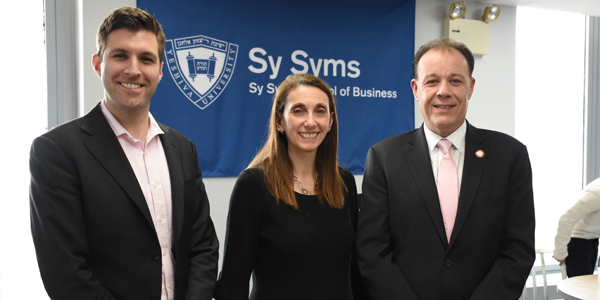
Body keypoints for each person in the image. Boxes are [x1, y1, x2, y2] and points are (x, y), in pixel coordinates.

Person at [29, 7, 219, 300]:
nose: (133, 69)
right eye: (120, 55)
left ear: (160, 70)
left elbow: (203, 245)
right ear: (97, 64)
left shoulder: (182, 148)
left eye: (146, 58)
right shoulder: (56, 152)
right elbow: (65, 274)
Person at [356, 38, 535, 300]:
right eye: (432, 81)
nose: (443, 91)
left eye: (455, 80)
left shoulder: (510, 156)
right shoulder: (383, 157)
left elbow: (517, 251)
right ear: (416, 89)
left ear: (471, 87)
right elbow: (372, 252)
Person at [213, 74, 366, 300]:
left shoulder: (344, 182)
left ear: (331, 122)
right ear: (279, 121)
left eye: (320, 111)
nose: (311, 121)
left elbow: (355, 272)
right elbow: (233, 283)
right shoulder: (253, 185)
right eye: (299, 110)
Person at [553, 178, 600, 277]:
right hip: (578, 243)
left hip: (593, 240)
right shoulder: (597, 192)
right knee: (583, 289)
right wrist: (560, 253)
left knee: (588, 287)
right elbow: (566, 220)